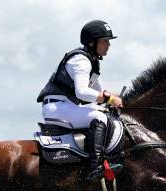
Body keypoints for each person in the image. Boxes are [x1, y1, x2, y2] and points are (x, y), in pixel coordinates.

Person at [37, 20, 124, 180]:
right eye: (105, 41)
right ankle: (95, 166)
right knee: (100, 118)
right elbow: (83, 92)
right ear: (92, 42)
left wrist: (116, 100)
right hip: (57, 108)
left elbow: (99, 93)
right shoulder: (81, 61)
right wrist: (110, 99)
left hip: (66, 106)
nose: (108, 45)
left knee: (104, 113)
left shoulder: (92, 61)